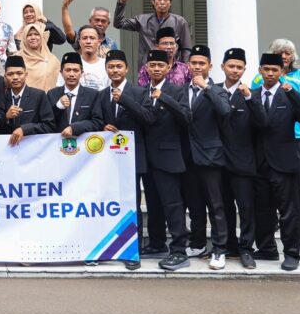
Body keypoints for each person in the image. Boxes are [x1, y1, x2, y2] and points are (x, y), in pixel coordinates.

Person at [252, 52, 300, 271]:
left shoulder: (288, 94)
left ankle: (291, 254)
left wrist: (294, 95)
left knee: (289, 211)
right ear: (260, 70)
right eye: (266, 69)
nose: (270, 73)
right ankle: (267, 248)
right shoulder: (251, 94)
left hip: (284, 162)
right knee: (263, 210)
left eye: (274, 70)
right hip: (259, 163)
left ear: (282, 72)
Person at [139, 49, 192, 271]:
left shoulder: (177, 91)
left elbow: (186, 118)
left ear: (168, 68)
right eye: (153, 65)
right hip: (147, 158)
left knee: (172, 204)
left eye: (161, 65)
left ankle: (179, 249)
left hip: (169, 157)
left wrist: (165, 99)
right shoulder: (142, 92)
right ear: (147, 68)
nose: (157, 69)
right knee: (152, 203)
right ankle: (157, 242)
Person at [96, 49, 149, 271]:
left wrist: (124, 100)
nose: (115, 71)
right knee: (107, 202)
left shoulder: (138, 92)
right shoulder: (100, 95)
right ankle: (107, 247)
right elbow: (96, 120)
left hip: (132, 157)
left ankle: (132, 250)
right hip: (107, 160)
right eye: (111, 67)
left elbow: (147, 118)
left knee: (132, 203)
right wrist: (103, 127)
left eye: (119, 67)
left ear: (127, 69)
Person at [181, 44, 232, 270]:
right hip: (187, 156)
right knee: (194, 203)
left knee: (215, 204)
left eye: (202, 64)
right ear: (188, 65)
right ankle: (198, 243)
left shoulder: (218, 90)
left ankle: (220, 249)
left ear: (210, 67)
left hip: (211, 156)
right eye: (194, 63)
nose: (198, 67)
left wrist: (207, 89)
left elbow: (224, 110)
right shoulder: (181, 89)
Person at [216, 48, 266, 269]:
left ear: (245, 69)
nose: (234, 70)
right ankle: (229, 245)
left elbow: (263, 123)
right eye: (231, 66)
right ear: (222, 67)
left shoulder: (251, 94)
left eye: (239, 67)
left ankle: (246, 249)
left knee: (245, 208)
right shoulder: (214, 90)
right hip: (217, 161)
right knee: (223, 207)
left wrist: (249, 98)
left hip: (244, 161)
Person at [113, 0, 192, 71]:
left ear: (170, 2)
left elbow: (186, 49)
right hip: (147, 70)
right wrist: (121, 2)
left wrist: (183, 70)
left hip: (171, 70)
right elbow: (119, 23)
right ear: (153, 1)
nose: (162, 2)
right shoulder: (142, 20)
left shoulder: (180, 22)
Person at [0, 55, 55, 146]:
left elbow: (49, 126)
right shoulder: (1, 97)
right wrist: (6, 118)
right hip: (7, 148)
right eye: (10, 74)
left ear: (26, 74)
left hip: (32, 149)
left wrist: (24, 129)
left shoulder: (38, 95)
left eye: (19, 73)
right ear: (5, 76)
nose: (15, 77)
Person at [47, 52, 102, 138]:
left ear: (82, 72)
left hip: (83, 145)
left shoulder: (92, 95)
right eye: (68, 70)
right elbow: (47, 123)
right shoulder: (52, 94)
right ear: (61, 72)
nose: (71, 74)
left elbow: (98, 122)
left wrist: (75, 128)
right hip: (57, 145)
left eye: (76, 70)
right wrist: (58, 107)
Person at [18, 22, 60, 92]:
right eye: (29, 35)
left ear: (41, 37)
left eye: (36, 34)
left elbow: (59, 84)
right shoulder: (17, 58)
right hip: (24, 101)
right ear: (24, 38)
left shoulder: (52, 60)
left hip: (47, 101)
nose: (33, 37)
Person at [74, 24, 110, 90]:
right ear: (79, 42)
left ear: (99, 42)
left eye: (92, 38)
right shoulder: (72, 64)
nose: (88, 41)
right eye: (84, 38)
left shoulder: (107, 65)